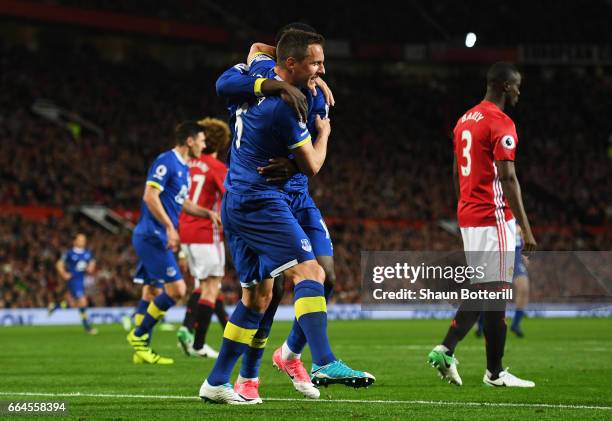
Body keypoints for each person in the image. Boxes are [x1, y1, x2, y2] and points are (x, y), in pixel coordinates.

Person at [199, 29, 374, 405]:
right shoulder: (286, 105)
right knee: (309, 274)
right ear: (291, 65)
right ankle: (323, 361)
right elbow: (311, 164)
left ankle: (219, 380)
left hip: (255, 197)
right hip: (262, 199)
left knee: (259, 297)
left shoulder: (260, 75)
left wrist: (307, 78)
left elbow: (258, 50)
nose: (323, 70)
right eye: (316, 63)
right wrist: (324, 132)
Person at [427, 62, 537, 387]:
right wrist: (526, 229)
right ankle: (489, 370)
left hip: (469, 215)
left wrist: (463, 207)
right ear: (504, 86)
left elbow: (454, 169)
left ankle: (459, 355)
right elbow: (508, 176)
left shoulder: (464, 120)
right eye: (516, 86)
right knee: (496, 293)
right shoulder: (501, 123)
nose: (519, 92)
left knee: (486, 290)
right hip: (493, 216)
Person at [126, 121, 217, 365]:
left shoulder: (184, 168)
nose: (204, 144)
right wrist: (169, 227)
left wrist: (205, 213)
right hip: (152, 235)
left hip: (155, 235)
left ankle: (140, 351)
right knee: (177, 290)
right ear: (189, 141)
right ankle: (138, 335)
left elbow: (182, 203)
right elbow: (149, 195)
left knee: (151, 291)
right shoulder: (167, 161)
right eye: (201, 139)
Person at [176, 117, 229, 359]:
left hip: (184, 233)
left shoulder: (187, 165)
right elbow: (230, 199)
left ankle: (187, 330)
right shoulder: (217, 168)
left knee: (202, 286)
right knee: (211, 287)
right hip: (207, 232)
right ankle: (197, 344)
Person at [475, 224, 529, 338]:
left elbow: (522, 241)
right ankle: (480, 324)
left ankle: (516, 324)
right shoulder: (495, 218)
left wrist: (525, 254)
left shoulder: (518, 224)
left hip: (515, 259)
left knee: (524, 289)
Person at [53, 233, 97, 334]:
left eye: (84, 239)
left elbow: (92, 264)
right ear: (75, 241)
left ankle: (57, 306)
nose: (83, 241)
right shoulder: (69, 253)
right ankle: (87, 327)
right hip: (73, 280)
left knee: (76, 304)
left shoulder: (88, 253)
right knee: (83, 301)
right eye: (81, 239)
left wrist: (91, 267)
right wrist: (64, 274)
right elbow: (59, 264)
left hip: (82, 281)